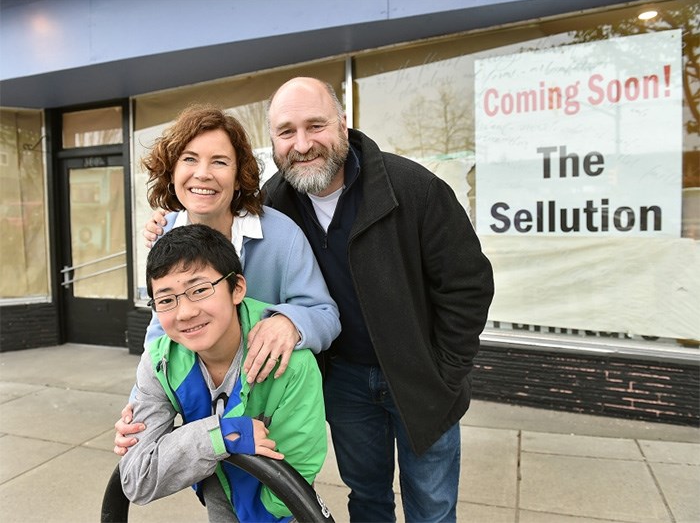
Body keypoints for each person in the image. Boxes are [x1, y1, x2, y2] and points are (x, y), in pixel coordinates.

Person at [128, 78, 494, 521]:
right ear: (273, 143)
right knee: (368, 497)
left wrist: (447, 370)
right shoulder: (276, 199)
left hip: (421, 378)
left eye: (315, 126)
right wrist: (141, 414)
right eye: (286, 132)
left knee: (431, 505)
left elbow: (468, 283)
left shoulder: (410, 188)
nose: (302, 144)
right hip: (344, 381)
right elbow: (163, 332)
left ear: (342, 123)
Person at [114, 105, 339, 453]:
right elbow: (160, 334)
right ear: (172, 170)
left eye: (219, 161)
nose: (202, 174)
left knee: (275, 504)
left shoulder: (281, 235)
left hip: (270, 412)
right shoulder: (165, 235)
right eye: (189, 159)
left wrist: (290, 322)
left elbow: (325, 314)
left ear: (238, 176)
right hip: (206, 412)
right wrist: (137, 411)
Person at [119, 223, 327, 522]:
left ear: (237, 288)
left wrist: (262, 513)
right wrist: (222, 435)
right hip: (217, 489)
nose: (185, 312)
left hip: (282, 509)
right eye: (166, 299)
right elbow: (137, 479)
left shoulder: (289, 361)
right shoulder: (160, 362)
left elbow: (298, 468)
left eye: (200, 290)